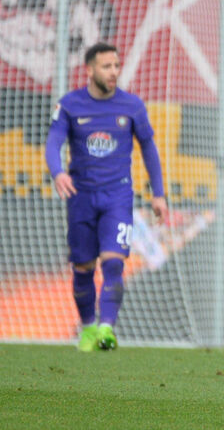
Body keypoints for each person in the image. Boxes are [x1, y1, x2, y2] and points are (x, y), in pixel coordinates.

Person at [44, 43, 169, 352]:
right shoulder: (70, 105)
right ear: (90, 70)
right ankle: (88, 328)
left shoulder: (132, 106)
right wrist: (58, 172)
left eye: (116, 65)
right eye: (107, 66)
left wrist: (159, 194)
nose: (114, 72)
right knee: (83, 267)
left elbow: (149, 148)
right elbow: (54, 141)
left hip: (118, 197)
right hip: (81, 197)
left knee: (114, 263)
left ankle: (106, 328)